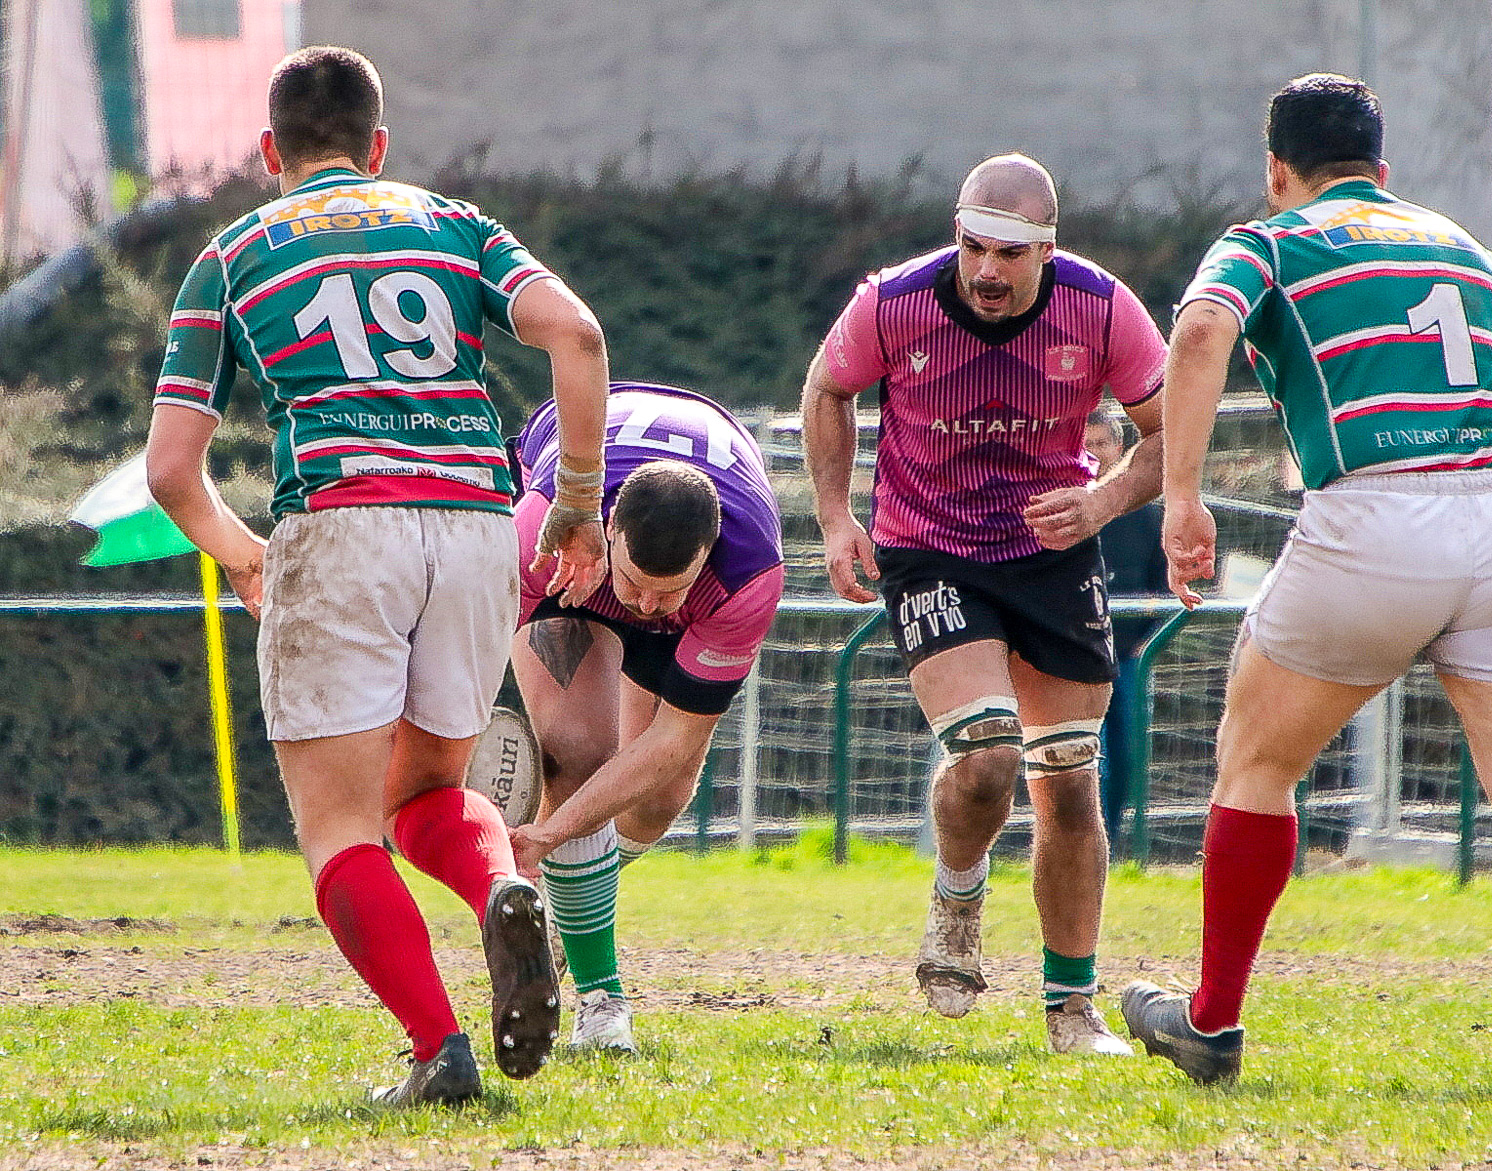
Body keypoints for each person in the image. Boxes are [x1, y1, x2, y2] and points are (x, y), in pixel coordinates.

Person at [1120, 73, 1492, 1088]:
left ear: (1277, 172)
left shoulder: (1266, 239)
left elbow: (1203, 333)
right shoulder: (1464, 246)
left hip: (1378, 515)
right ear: (1384, 170)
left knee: (1255, 762)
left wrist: (1183, 498)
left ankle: (1209, 1022)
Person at [144, 46, 611, 1107]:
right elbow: (576, 336)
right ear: (379, 147)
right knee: (428, 795)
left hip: (343, 523)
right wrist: (576, 501)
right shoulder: (455, 225)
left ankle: (437, 1049)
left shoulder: (231, 255)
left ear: (271, 152)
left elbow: (172, 468)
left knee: (340, 827)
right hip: (477, 522)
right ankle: (501, 884)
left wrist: (244, 554)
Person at [802, 153, 1168, 1054]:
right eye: (974, 247)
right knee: (988, 756)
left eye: (1011, 253)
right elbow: (827, 389)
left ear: (1048, 249)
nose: (988, 271)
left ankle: (1071, 1011)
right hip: (930, 550)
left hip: (1052, 555)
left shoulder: (1103, 305)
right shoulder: (894, 301)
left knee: (1071, 786)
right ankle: (958, 898)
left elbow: (1171, 434)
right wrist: (837, 518)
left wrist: (1103, 501)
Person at [500, 381, 784, 1055]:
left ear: (707, 558)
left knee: (659, 797)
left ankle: (573, 903)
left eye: (671, 589)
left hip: (682, 523)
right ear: (609, 530)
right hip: (573, 573)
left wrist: (551, 836)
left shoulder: (747, 578)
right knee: (574, 751)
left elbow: (674, 739)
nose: (649, 605)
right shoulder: (543, 534)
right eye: (635, 583)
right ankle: (603, 1004)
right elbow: (459, 658)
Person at [1085, 408, 1167, 847]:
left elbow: (1161, 582)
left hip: (1129, 653)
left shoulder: (1146, 515)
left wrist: (1143, 640)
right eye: (1086, 445)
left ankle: (1110, 839)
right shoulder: (1067, 508)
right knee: (1088, 753)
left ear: (1120, 448)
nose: (1094, 455)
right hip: (1078, 650)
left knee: (1126, 750)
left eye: (1101, 444)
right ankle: (1086, 841)